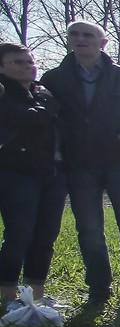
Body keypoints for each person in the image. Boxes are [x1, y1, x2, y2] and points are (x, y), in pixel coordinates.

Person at [42, 20, 120, 307]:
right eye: (75, 34)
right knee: (88, 228)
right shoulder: (54, 80)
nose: (81, 39)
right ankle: (99, 287)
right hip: (79, 165)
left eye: (88, 35)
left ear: (103, 43)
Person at [0, 43, 68, 308]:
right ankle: (7, 296)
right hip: (15, 173)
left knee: (46, 235)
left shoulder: (44, 92)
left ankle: (35, 296)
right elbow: (23, 119)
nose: (28, 66)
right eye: (18, 62)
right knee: (19, 234)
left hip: (51, 172)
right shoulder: (4, 93)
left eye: (29, 61)